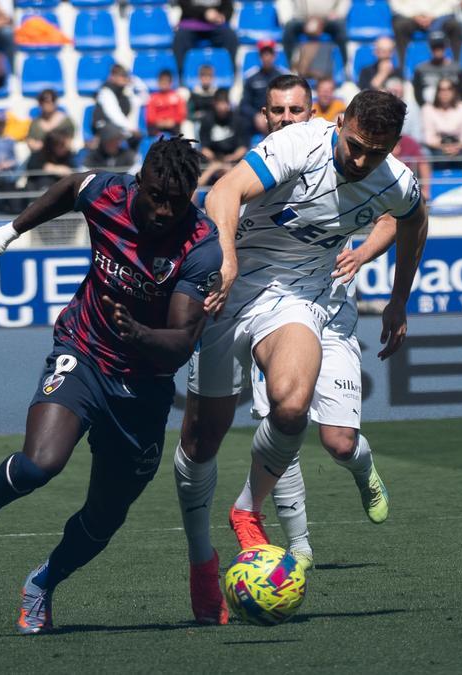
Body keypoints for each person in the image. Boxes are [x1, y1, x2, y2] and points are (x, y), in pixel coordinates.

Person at [0, 137, 222, 635]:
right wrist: (8, 232)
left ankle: (44, 582)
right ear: (138, 182)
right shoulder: (108, 194)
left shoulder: (200, 245)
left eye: (175, 201)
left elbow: (182, 342)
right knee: (41, 462)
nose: (162, 210)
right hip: (83, 351)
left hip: (144, 387)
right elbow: (70, 187)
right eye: (154, 195)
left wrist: (141, 334)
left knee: (105, 518)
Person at [176, 89, 428, 624]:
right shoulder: (299, 143)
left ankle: (247, 509)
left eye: (376, 153)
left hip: (295, 297)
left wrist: (400, 298)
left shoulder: (395, 181)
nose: (361, 161)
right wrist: (225, 259)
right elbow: (224, 192)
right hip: (227, 289)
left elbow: (413, 220)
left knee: (290, 408)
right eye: (356, 145)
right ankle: (203, 561)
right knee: (201, 443)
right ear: (340, 123)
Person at [229, 74, 403, 570]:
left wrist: (365, 251)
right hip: (273, 308)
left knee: (338, 440)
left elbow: (397, 213)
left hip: (333, 308)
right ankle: (299, 550)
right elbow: (221, 204)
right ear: (265, 116)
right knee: (282, 421)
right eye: (277, 112)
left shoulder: (352, 153)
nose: (286, 119)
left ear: (318, 115)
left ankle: (363, 467)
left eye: (296, 111)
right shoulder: (263, 163)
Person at [283, 0, 350, 77]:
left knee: (340, 26)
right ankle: (291, 68)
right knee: (289, 27)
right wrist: (291, 17)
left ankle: (345, 67)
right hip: (303, 18)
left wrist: (338, 13)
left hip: (328, 19)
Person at [174, 0, 238, 81]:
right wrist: (205, 13)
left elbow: (228, 7)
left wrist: (223, 16)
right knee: (180, 37)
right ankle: (182, 77)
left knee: (230, 37)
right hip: (191, 23)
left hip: (215, 25)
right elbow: (184, 6)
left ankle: (227, 76)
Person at [197, 89, 248, 186]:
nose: (222, 107)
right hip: (212, 160)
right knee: (198, 180)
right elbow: (204, 149)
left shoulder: (238, 120)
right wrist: (216, 163)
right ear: (214, 104)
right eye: (219, 103)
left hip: (232, 161)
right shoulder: (206, 120)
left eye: (224, 103)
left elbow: (243, 148)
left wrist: (229, 159)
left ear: (229, 104)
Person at [390, 0, 462, 66]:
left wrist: (434, 15)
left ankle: (457, 67)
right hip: (410, 16)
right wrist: (414, 16)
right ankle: (401, 69)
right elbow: (396, 4)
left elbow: (453, 3)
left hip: (439, 16)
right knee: (400, 26)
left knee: (454, 26)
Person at [421, 77, 462, 169]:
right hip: (437, 148)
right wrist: (444, 147)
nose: (445, 93)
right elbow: (429, 138)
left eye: (449, 89)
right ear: (437, 92)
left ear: (454, 91)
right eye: (441, 89)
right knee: (426, 153)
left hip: (461, 147)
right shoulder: (427, 109)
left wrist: (456, 147)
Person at [240, 40, 287, 135]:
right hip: (257, 119)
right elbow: (244, 104)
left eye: (269, 54)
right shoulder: (251, 77)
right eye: (264, 54)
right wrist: (256, 116)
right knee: (242, 122)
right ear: (260, 57)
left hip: (279, 117)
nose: (267, 58)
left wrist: (275, 117)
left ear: (274, 56)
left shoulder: (284, 76)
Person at [411, 31, 462, 107]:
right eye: (434, 47)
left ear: (445, 47)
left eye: (440, 46)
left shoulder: (457, 68)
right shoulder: (420, 69)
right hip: (429, 109)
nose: (438, 50)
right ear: (430, 48)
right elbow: (418, 95)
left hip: (454, 108)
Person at [93, 64, 143, 145]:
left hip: (119, 129)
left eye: (126, 75)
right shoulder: (105, 92)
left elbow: (144, 98)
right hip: (104, 128)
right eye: (121, 75)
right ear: (112, 77)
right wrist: (132, 128)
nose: (125, 78)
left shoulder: (125, 93)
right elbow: (114, 115)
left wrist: (135, 80)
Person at [26, 89, 75, 154]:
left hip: (60, 157)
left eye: (51, 101)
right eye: (44, 101)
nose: (48, 104)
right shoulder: (35, 122)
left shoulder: (66, 121)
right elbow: (30, 140)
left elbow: (69, 142)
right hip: (40, 156)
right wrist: (35, 146)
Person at [145, 70, 187, 137]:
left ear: (170, 83)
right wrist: (159, 122)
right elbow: (149, 116)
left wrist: (172, 121)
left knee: (179, 131)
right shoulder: (153, 98)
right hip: (157, 125)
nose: (164, 83)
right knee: (151, 129)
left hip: (173, 125)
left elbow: (181, 114)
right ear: (158, 82)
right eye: (161, 81)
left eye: (166, 81)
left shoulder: (177, 97)